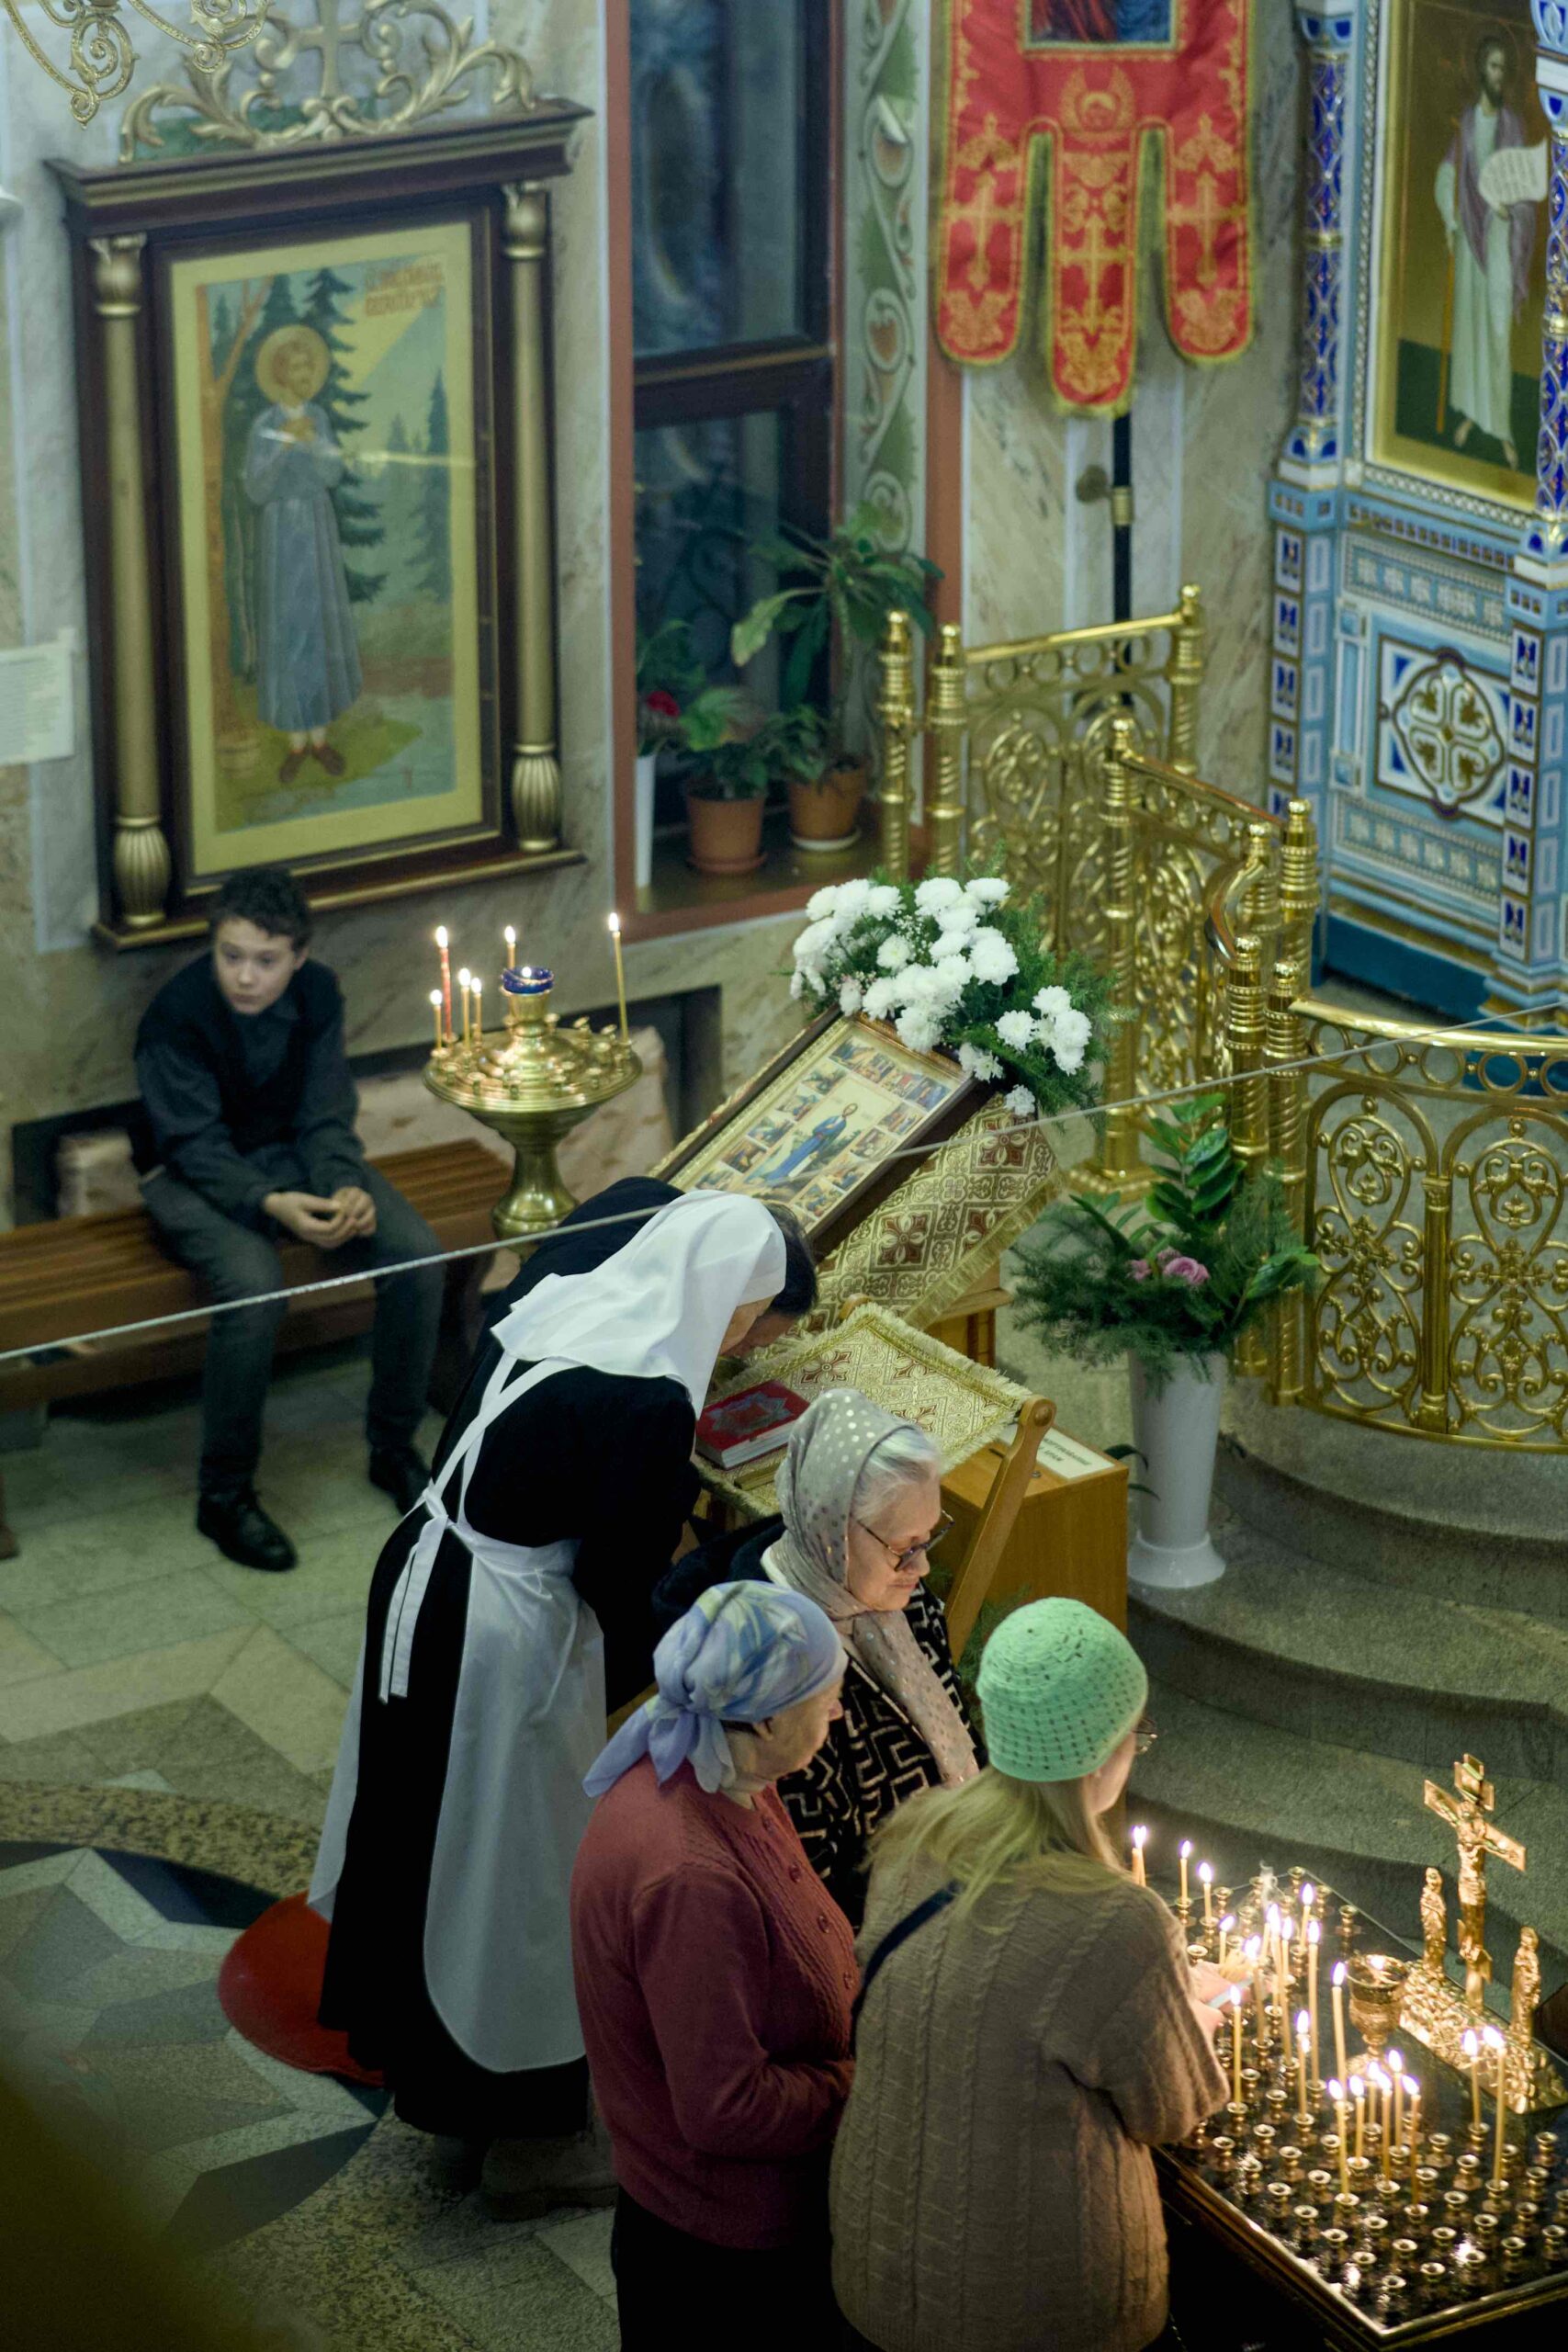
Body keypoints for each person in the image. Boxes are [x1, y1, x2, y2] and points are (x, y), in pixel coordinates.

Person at [310, 1193, 815, 2217]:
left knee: (424, 1837)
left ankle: (448, 2101)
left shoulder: (563, 1303)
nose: (746, 1345)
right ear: (732, 1295)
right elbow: (616, 1583)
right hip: (499, 1632)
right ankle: (528, 2146)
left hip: (423, 1575)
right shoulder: (651, 1397)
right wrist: (717, 1623)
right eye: (759, 1324)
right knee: (516, 1872)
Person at [831, 1598, 1229, 2352]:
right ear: (1101, 1755)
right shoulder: (1116, 1922)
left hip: (878, 2265)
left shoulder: (912, 1838)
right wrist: (1195, 2018)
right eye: (1135, 1736)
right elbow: (1174, 2112)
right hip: (1027, 2309)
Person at [133, 865, 444, 1574]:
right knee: (253, 1287)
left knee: (417, 1257)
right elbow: (192, 1145)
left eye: (266, 960)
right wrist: (272, 1204)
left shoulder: (317, 993)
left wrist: (342, 1184)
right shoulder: (176, 1015)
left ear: (298, 956)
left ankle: (393, 1448)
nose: (245, 976)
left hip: (290, 1155)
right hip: (185, 1174)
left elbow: (325, 1111)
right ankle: (224, 1494)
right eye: (231, 956)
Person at [570, 1581, 855, 2348]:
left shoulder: (724, 1772)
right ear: (765, 1718)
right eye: (825, 1697)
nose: (837, 1713)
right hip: (724, 2257)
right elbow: (726, 2108)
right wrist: (870, 2081)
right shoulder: (690, 1879)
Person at [656, 1388, 978, 1924]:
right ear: (833, 1530)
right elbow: (808, 1882)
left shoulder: (900, 1599)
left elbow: (960, 1730)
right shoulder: (767, 1669)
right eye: (904, 1548)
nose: (921, 1568)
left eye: (929, 1538)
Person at [244, 322, 363, 782]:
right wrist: (284, 444)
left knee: (318, 628)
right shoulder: (264, 425)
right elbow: (255, 489)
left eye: (309, 367)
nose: (305, 375)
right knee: (289, 628)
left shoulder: (319, 417)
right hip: (281, 533)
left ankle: (321, 741)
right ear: (280, 374)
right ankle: (295, 745)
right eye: (296, 368)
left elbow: (333, 475)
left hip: (316, 527)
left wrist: (313, 442)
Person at [1435, 36, 1535, 471]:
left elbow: (1526, 190)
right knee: (1472, 329)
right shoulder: (1467, 124)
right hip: (1469, 239)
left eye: (1502, 68)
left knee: (1497, 331)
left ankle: (1503, 429)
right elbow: (1447, 172)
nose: (1498, 75)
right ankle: (1475, 416)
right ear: (1480, 70)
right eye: (1492, 66)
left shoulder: (1513, 126)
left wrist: (1511, 210)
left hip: (1499, 240)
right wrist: (1450, 217)